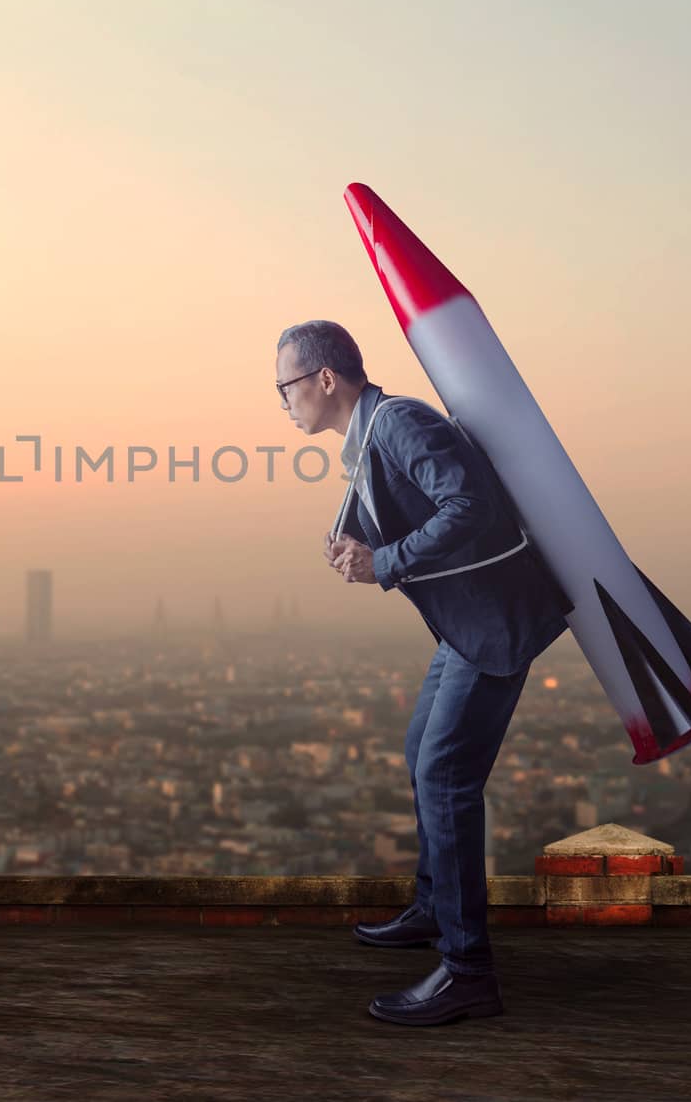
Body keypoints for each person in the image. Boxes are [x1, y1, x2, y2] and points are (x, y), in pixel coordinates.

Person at [275, 319, 571, 1026]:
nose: (281, 403)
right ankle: (434, 909)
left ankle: (468, 972)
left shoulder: (399, 422)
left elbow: (470, 505)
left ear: (325, 380)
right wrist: (361, 549)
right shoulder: (371, 437)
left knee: (445, 777)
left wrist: (386, 562)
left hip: (490, 626)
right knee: (422, 754)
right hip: (463, 627)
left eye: (285, 387)